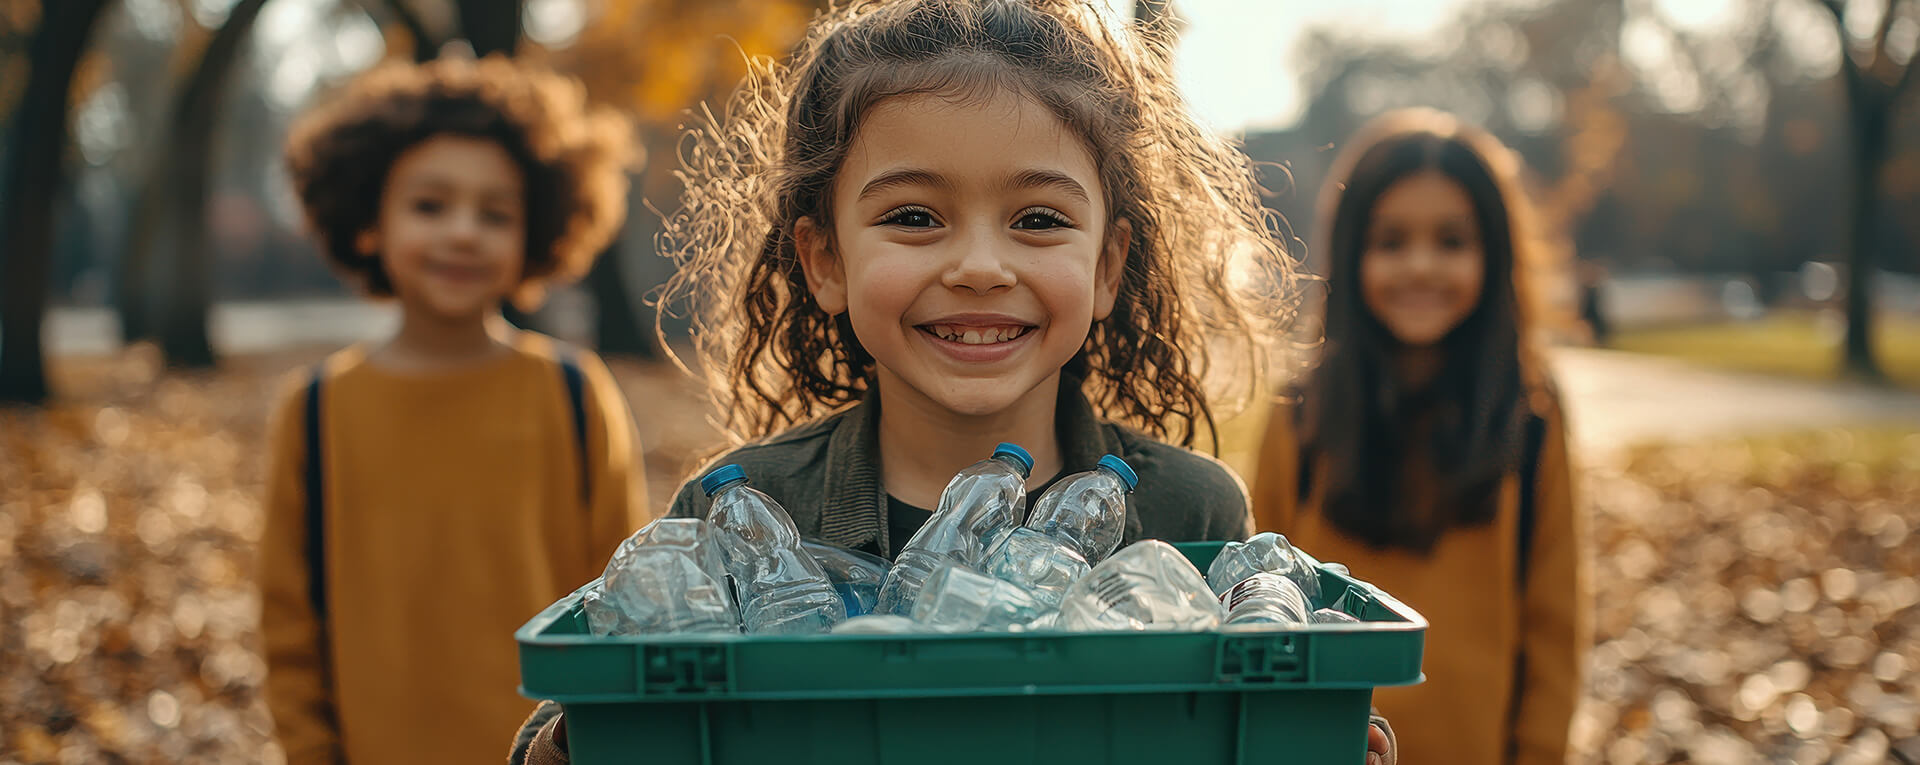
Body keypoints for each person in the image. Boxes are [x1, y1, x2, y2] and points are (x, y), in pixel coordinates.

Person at [511, 1, 1393, 763]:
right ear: (823, 259)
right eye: (914, 217)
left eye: (1039, 219)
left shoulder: (1188, 512)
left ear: (1109, 264)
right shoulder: (744, 508)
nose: (979, 265)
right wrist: (567, 741)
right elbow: (594, 715)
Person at [258, 55, 648, 764]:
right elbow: (291, 630)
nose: (463, 232)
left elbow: (624, 600)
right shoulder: (316, 410)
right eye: (430, 205)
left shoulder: (574, 393)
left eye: (494, 212)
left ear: (532, 233)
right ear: (370, 221)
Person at [1252, 108, 1590, 765]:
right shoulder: (1302, 409)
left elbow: (1555, 627)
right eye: (1391, 241)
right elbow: (1259, 595)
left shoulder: (1533, 413)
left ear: (1494, 254)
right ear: (1352, 255)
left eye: (1452, 241)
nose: (1421, 265)